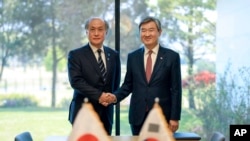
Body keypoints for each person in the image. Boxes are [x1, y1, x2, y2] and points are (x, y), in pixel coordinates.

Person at [106, 16, 182, 135]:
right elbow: (128, 85)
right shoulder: (133, 57)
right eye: (143, 30)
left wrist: (174, 117)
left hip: (160, 116)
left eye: (151, 30)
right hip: (138, 117)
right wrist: (114, 97)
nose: (147, 34)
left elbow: (176, 90)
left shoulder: (172, 57)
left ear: (159, 32)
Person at [67, 17, 121, 135]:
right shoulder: (75, 55)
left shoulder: (114, 55)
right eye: (92, 29)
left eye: (100, 29)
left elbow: (116, 83)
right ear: (87, 32)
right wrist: (100, 96)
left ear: (106, 32)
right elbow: (76, 82)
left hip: (106, 115)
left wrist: (112, 97)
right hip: (83, 113)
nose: (96, 33)